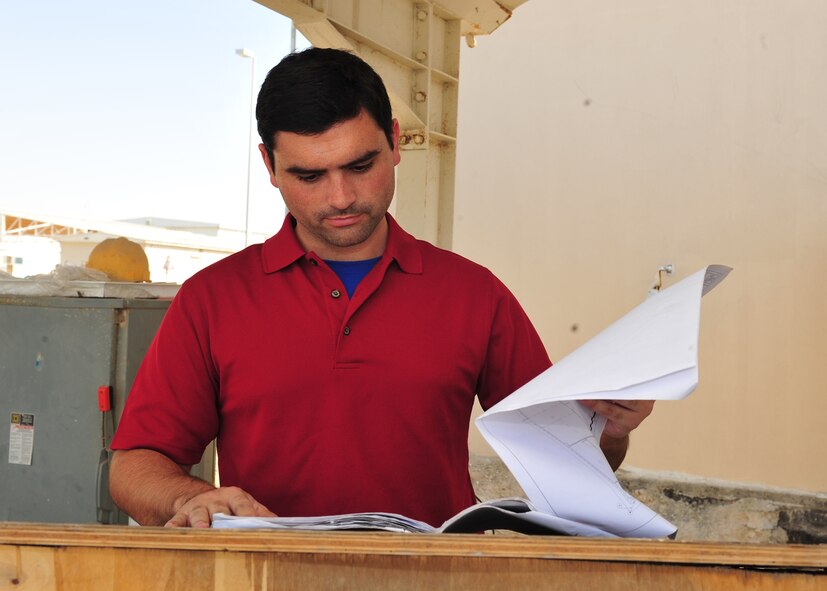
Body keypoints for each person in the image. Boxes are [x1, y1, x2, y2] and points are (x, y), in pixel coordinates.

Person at [109, 47, 653, 528]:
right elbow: (134, 466)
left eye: (360, 165)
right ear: (269, 166)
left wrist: (610, 431)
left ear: (395, 142)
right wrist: (196, 498)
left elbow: (571, 463)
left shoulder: (474, 294)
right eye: (309, 176)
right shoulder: (213, 298)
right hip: (268, 576)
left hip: (435, 578)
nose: (341, 197)